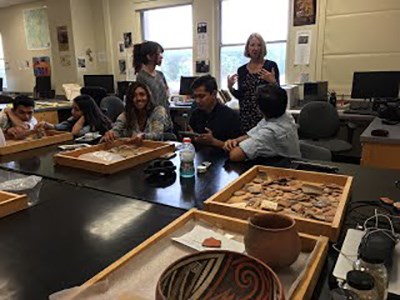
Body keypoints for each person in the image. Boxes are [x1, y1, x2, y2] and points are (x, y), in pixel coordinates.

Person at [224, 84, 301, 162]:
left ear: (259, 109)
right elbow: (253, 133)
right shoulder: (284, 115)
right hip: (283, 162)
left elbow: (234, 155)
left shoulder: (270, 132)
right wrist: (236, 140)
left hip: (283, 169)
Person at [227, 33, 280, 132]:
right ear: (247, 48)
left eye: (259, 45)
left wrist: (273, 82)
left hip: (265, 116)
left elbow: (279, 95)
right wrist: (230, 88)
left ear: (263, 48)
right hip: (246, 117)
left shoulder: (270, 66)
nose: (255, 48)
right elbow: (241, 96)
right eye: (252, 45)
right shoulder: (242, 70)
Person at [102, 82, 172, 145]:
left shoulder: (158, 111)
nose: (138, 98)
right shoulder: (126, 114)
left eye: (142, 94)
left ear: (148, 97)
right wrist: (111, 134)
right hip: (134, 152)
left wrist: (143, 136)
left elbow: (157, 135)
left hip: (154, 151)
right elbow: (116, 129)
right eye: (134, 96)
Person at [189, 75, 242, 149]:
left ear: (214, 94)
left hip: (223, 157)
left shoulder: (230, 116)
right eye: (195, 97)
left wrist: (213, 142)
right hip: (199, 156)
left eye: (201, 96)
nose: (197, 101)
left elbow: (238, 149)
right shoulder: (196, 114)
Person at [36, 95, 112, 137]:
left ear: (85, 111)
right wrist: (46, 124)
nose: (72, 112)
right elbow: (60, 126)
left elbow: (75, 133)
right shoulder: (74, 118)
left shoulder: (94, 123)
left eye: (76, 109)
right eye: (72, 108)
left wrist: (83, 118)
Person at [134, 41, 169, 110]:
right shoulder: (141, 77)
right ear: (149, 57)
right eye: (159, 54)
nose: (161, 57)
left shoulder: (160, 74)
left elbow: (166, 91)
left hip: (165, 114)